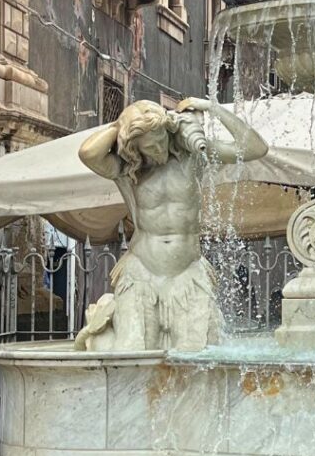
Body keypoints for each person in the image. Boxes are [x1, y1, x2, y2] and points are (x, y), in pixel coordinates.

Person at [75, 97, 267, 352]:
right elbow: (88, 153)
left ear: (168, 130)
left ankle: (96, 333)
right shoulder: (129, 169)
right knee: (130, 352)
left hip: (187, 271)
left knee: (196, 356)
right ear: (136, 149)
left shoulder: (194, 156)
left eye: (159, 140)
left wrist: (212, 108)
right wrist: (123, 124)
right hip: (141, 270)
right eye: (148, 147)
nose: (157, 150)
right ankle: (96, 334)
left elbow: (254, 148)